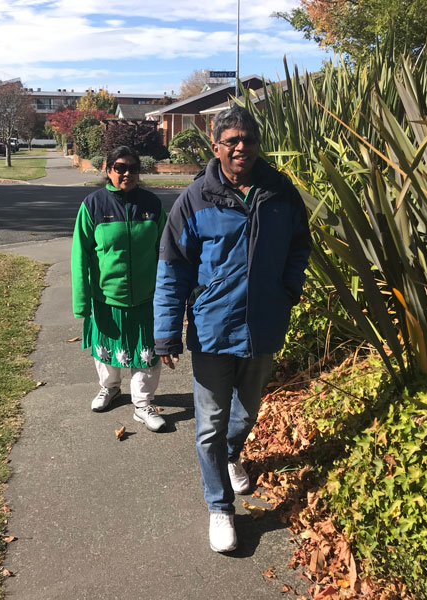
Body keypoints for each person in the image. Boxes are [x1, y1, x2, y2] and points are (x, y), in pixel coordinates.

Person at [154, 106, 311, 552]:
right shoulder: (195, 199)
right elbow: (173, 270)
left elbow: (301, 245)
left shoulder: (280, 192)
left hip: (263, 328)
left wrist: (288, 290)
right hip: (211, 330)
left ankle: (232, 454)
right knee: (209, 426)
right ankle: (220, 508)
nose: (242, 147)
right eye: (232, 140)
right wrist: (166, 333)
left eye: (249, 139)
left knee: (244, 416)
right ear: (216, 146)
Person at [71, 146, 166, 432]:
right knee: (107, 351)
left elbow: (166, 249)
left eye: (133, 168)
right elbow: (80, 255)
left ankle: (143, 403)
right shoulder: (93, 205)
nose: (127, 173)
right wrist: (81, 300)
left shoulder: (152, 205)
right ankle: (110, 388)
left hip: (147, 297)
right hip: (106, 298)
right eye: (120, 167)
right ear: (108, 168)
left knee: (146, 352)